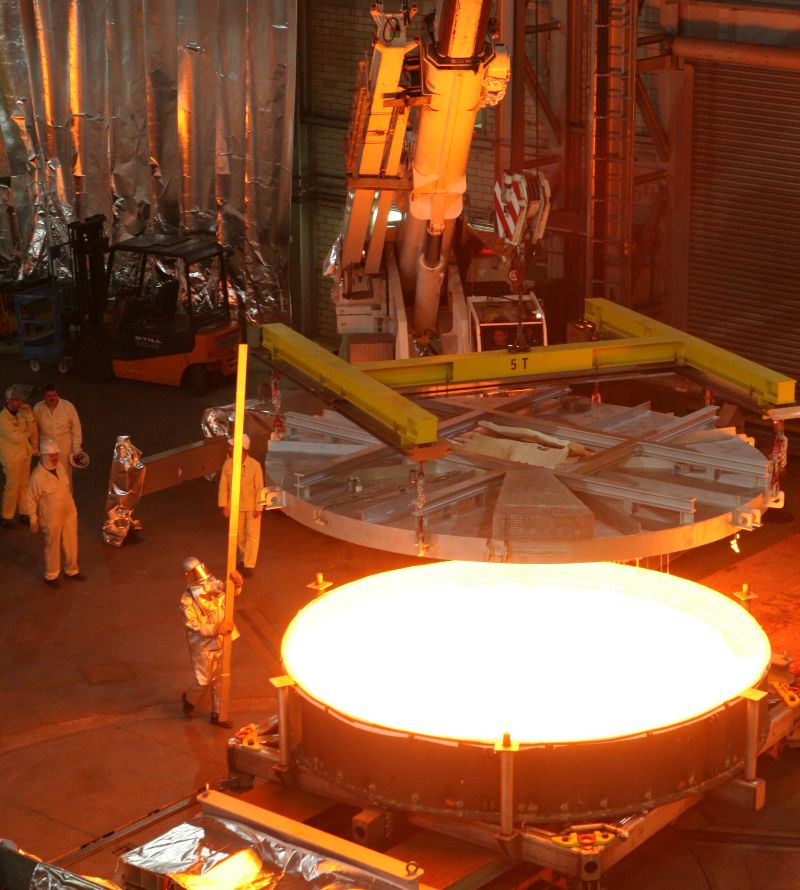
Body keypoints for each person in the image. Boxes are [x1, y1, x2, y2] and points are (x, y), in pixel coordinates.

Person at [180, 557, 243, 727]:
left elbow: (229, 593)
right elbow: (192, 624)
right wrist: (215, 629)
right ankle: (189, 699)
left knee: (221, 680)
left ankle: (218, 714)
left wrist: (237, 585)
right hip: (203, 647)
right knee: (204, 680)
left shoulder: (214, 585)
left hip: (223, 640)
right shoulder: (187, 601)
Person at [24, 439, 84, 588]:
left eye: (56, 455)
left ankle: (72, 569)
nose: (54, 458)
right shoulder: (37, 477)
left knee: (71, 540)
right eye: (51, 455)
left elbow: (66, 487)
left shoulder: (60, 468)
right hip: (51, 516)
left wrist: (72, 507)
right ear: (44, 456)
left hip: (68, 510)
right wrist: (33, 518)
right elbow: (30, 498)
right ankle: (51, 574)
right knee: (52, 544)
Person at [217, 433, 264, 577]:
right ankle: (244, 560)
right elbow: (223, 486)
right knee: (240, 536)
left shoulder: (255, 466)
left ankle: (249, 564)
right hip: (236, 507)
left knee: (252, 536)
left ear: (241, 449)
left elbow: (259, 488)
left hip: (251, 507)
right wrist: (225, 506)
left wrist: (259, 507)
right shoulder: (228, 464)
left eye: (232, 446)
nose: (229, 449)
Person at [0, 384, 38, 529]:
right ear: (9, 401)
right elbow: (17, 437)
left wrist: (29, 416)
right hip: (12, 458)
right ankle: (6, 517)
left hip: (24, 454)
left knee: (24, 485)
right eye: (16, 400)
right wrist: (28, 432)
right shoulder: (3, 419)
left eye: (20, 400)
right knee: (12, 487)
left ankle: (23, 513)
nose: (19, 403)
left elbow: (33, 429)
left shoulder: (22, 412)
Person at [33, 384, 85, 486]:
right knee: (47, 474)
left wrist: (76, 447)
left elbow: (76, 428)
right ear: (44, 397)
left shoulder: (68, 407)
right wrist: (35, 447)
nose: (52, 398)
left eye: (54, 395)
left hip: (64, 446)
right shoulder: (38, 409)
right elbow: (34, 430)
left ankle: (67, 499)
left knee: (65, 474)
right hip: (46, 447)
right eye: (49, 396)